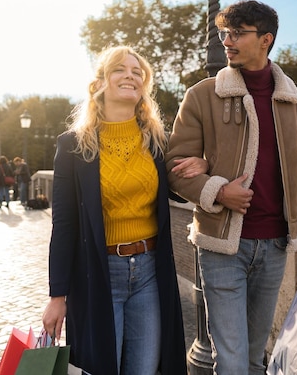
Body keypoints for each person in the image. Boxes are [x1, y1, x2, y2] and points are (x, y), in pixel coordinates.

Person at [166, 0, 297, 375]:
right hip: (221, 246)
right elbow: (175, 170)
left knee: (252, 357)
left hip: (276, 246)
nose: (226, 41)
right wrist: (217, 189)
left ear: (265, 39)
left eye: (237, 34)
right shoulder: (201, 95)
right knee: (229, 362)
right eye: (224, 33)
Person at [42, 46, 206, 375]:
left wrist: (201, 163)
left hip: (149, 271)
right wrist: (57, 295)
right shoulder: (73, 145)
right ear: (99, 83)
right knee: (102, 367)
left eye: (137, 71)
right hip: (97, 273)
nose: (130, 75)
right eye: (120, 69)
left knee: (144, 369)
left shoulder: (158, 140)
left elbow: (180, 185)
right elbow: (64, 225)